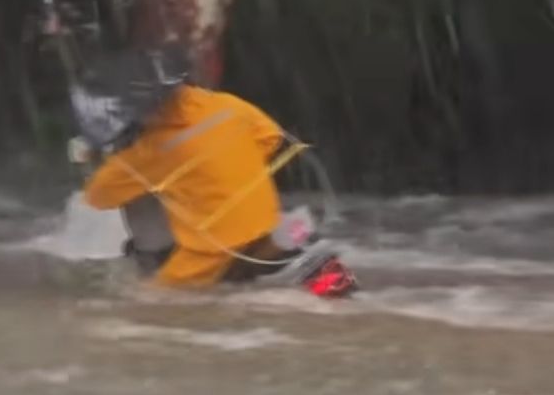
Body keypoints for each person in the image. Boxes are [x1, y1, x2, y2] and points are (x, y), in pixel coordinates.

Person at [67, 47, 355, 295]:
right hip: (266, 221)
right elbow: (270, 139)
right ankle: (325, 280)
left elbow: (98, 196)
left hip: (211, 249)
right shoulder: (228, 106)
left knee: (150, 302)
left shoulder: (149, 152)